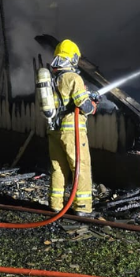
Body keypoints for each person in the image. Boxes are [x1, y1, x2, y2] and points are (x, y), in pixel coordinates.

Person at [48, 39, 99, 217]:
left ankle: (55, 205)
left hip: (54, 131)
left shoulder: (51, 78)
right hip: (72, 132)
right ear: (73, 58)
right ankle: (83, 207)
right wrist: (93, 104)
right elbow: (83, 105)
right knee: (81, 167)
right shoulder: (73, 77)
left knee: (58, 168)